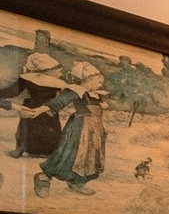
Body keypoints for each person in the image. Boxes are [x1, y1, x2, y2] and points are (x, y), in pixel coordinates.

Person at [37, 62, 109, 194]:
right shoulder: (76, 91)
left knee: (89, 156)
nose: (100, 85)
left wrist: (102, 105)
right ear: (87, 79)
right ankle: (43, 177)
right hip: (80, 128)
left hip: (95, 128)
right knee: (70, 154)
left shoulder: (96, 94)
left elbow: (97, 108)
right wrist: (40, 110)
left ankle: (77, 182)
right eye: (98, 82)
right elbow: (59, 102)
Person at [1, 50, 68, 157]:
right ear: (48, 69)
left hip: (32, 105)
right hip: (48, 108)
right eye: (57, 69)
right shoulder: (58, 83)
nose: (60, 73)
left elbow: (12, 92)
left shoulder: (28, 78)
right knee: (47, 129)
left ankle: (21, 149)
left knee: (29, 129)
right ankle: (48, 152)